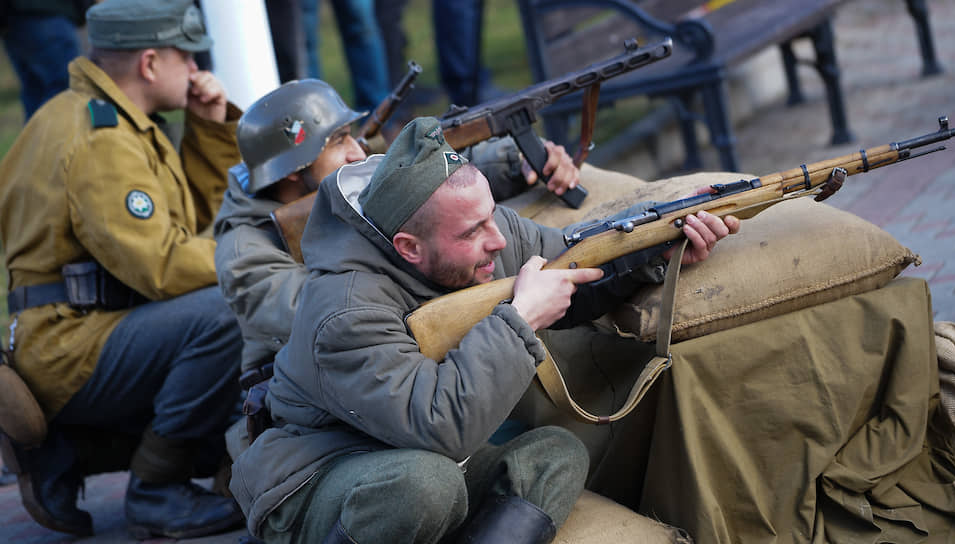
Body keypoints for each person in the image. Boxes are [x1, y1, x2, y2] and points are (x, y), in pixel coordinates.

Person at [228, 116, 738, 543]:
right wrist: (519, 320)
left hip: (415, 461)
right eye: (473, 232)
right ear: (408, 247)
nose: (499, 239)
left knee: (556, 456)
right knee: (426, 486)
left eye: (493, 215)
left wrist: (658, 249)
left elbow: (575, 266)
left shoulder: (486, 232)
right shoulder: (344, 312)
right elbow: (438, 426)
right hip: (317, 479)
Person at [0, 0, 246, 538]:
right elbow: (161, 266)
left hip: (65, 334)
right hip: (73, 344)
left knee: (219, 412)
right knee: (224, 315)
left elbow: (178, 227)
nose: (198, 70)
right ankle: (156, 492)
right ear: (151, 63)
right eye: (187, 55)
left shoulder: (85, 114)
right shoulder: (102, 140)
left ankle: (67, 453)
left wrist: (208, 130)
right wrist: (251, 256)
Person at [215, 79, 582, 378]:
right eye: (338, 141)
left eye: (351, 135)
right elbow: (330, 318)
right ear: (295, 167)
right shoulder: (244, 253)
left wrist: (514, 163)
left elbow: (422, 183)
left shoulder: (345, 181)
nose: (357, 153)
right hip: (324, 406)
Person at [0, 0, 93, 121]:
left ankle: (35, 139)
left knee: (35, 91)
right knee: (67, 88)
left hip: (15, 19)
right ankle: (53, 138)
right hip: (48, 13)